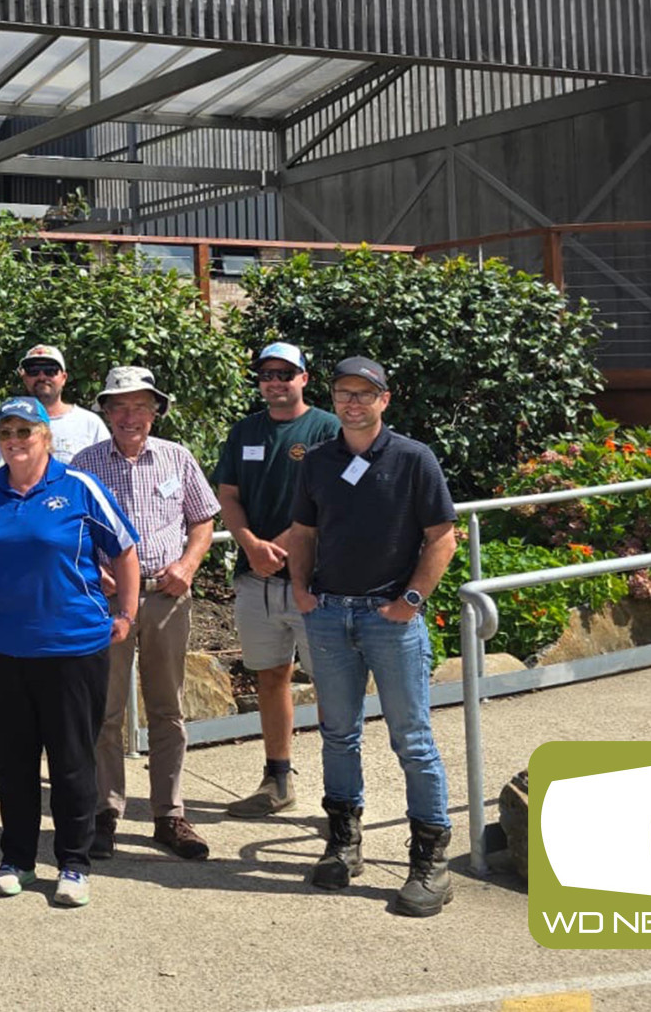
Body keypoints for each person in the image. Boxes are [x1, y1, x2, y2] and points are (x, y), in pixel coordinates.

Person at [284, 357, 459, 919]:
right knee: (338, 735)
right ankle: (343, 843)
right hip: (330, 615)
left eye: (364, 393)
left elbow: (442, 537)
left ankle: (430, 861)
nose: (353, 402)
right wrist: (302, 591)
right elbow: (303, 532)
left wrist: (410, 601)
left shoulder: (412, 459)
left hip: (390, 621)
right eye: (343, 393)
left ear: (385, 399)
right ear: (332, 399)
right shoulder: (317, 461)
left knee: (412, 739)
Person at [0, 397, 139, 909]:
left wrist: (125, 614)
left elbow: (124, 550)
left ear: (46, 437)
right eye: (6, 432)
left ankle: (73, 863)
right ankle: (16, 859)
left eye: (25, 431)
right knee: (12, 762)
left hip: (71, 648)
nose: (14, 441)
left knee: (72, 761)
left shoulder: (79, 487)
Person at [71, 366, 220, 862]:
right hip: (106, 602)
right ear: (106, 412)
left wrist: (189, 563)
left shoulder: (177, 458)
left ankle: (169, 813)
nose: (130, 415)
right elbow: (71, 526)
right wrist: (94, 566)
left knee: (167, 709)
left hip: (165, 596)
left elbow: (203, 518)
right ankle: (105, 810)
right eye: (120, 405)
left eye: (140, 406)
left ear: (156, 412)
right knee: (105, 710)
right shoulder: (85, 463)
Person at [212, 342, 340, 818]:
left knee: (332, 685)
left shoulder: (327, 428)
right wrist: (250, 545)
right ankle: (277, 780)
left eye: (286, 372)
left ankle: (340, 793)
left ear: (304, 377)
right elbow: (228, 494)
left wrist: (280, 547)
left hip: (315, 582)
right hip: (256, 581)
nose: (275, 380)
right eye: (267, 373)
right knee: (271, 677)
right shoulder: (245, 430)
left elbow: (330, 498)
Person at [18, 344, 106, 462]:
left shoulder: (90, 423)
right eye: (33, 371)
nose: (42, 376)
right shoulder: (5, 424)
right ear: (24, 378)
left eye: (50, 371)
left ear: (64, 378)